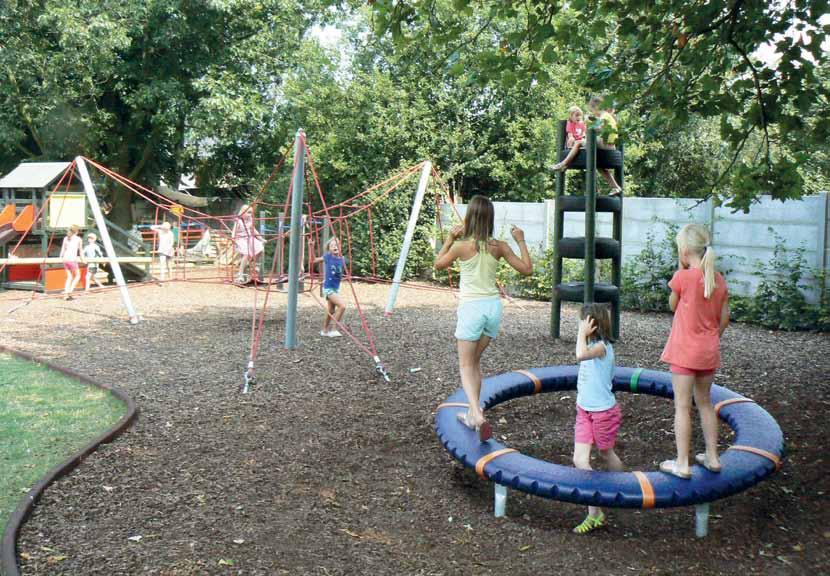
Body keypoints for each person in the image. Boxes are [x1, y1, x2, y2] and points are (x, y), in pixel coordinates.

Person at [434, 195, 533, 441]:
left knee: (465, 365)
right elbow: (527, 269)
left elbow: (438, 264)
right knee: (475, 363)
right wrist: (520, 241)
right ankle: (470, 415)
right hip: (493, 309)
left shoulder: (461, 246)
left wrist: (448, 239)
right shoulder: (499, 246)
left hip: (472, 309)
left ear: (470, 218)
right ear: (490, 219)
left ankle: (477, 414)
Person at [659, 224, 729, 479]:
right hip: (708, 352)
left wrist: (682, 271)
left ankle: (682, 463)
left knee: (682, 407)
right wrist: (709, 339)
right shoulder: (718, 280)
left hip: (684, 353)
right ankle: (712, 457)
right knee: (705, 403)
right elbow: (724, 318)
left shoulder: (683, 278)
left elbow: (672, 305)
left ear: (684, 250)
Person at [571, 303, 624, 533]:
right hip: (584, 410)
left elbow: (580, 355)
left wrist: (581, 334)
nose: (580, 325)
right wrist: (583, 334)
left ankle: (624, 488)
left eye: (583, 322)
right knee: (579, 459)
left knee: (605, 452)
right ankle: (595, 511)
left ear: (594, 324)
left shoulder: (602, 347)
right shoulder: (592, 343)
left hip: (604, 413)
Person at [586, 95, 623, 196]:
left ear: (596, 107)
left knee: (581, 143)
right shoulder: (608, 116)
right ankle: (615, 187)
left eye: (592, 110)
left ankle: (564, 163)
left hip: (606, 145)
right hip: (610, 146)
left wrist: (589, 123)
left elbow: (598, 128)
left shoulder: (604, 115)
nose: (593, 113)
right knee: (599, 166)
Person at [311, 237, 347, 337]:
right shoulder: (328, 257)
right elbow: (314, 260)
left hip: (336, 288)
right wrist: (311, 247)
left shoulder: (342, 259)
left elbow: (339, 273)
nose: (335, 246)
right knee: (342, 306)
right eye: (332, 245)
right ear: (329, 249)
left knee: (331, 310)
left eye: (337, 245)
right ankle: (334, 329)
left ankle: (324, 330)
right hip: (328, 288)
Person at [232, 204, 264, 283]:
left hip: (249, 238)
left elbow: (253, 230)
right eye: (248, 212)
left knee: (261, 248)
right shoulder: (238, 221)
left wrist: (261, 238)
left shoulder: (250, 219)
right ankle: (240, 274)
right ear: (243, 213)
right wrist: (234, 240)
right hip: (240, 239)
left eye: (251, 213)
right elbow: (234, 232)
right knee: (246, 253)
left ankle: (255, 265)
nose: (250, 215)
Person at [551, 105, 587, 172]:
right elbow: (570, 135)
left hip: (580, 141)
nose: (578, 117)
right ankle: (568, 154)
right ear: (571, 116)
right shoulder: (570, 123)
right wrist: (571, 138)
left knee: (582, 141)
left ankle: (564, 164)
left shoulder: (582, 123)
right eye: (576, 115)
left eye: (580, 115)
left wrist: (583, 137)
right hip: (573, 142)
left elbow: (584, 133)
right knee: (571, 140)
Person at [60, 224, 83, 300]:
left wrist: (60, 258)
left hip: (65, 259)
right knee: (77, 275)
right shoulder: (78, 239)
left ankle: (66, 295)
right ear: (76, 232)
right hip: (72, 259)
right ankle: (70, 291)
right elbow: (81, 251)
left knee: (69, 277)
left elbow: (63, 250)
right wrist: (83, 260)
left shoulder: (65, 238)